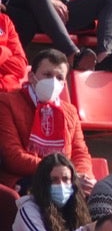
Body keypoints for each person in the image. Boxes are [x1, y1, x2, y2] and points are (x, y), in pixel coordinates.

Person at [0, 49, 92, 189]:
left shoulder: (70, 111)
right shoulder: (7, 102)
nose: (53, 82)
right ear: (31, 77)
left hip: (66, 179)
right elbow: (13, 157)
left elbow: (80, 153)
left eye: (59, 78)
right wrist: (60, 172)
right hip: (25, 179)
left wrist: (82, 175)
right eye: (47, 75)